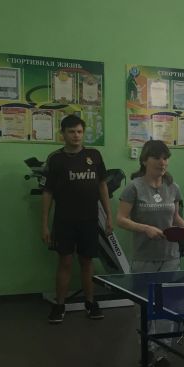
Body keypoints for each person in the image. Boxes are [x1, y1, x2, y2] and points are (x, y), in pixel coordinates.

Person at [117, 141, 184, 367]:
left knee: (167, 306)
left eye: (165, 158)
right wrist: (144, 228)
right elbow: (121, 219)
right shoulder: (134, 188)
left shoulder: (173, 187)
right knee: (145, 307)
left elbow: (176, 217)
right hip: (144, 258)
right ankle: (147, 348)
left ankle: (162, 354)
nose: (162, 162)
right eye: (157, 158)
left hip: (170, 256)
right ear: (145, 160)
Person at [41, 114, 112, 324]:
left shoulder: (94, 155)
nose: (76, 135)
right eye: (71, 132)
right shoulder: (55, 159)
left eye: (79, 131)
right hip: (64, 221)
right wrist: (44, 224)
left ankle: (90, 303)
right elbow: (47, 193)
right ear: (62, 134)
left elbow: (102, 186)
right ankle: (59, 305)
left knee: (87, 262)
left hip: (89, 220)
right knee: (65, 262)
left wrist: (109, 215)